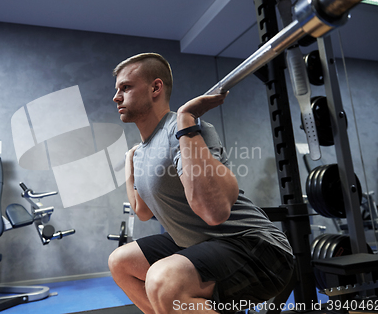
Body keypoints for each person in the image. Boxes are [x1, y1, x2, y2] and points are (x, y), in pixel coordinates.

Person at [108, 53, 294, 314]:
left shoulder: (186, 129)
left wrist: (186, 121)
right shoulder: (141, 152)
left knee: (163, 281)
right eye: (117, 90)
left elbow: (214, 212)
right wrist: (131, 163)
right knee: (121, 262)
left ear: (155, 88)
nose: (117, 97)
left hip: (257, 249)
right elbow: (143, 211)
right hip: (202, 244)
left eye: (125, 87)